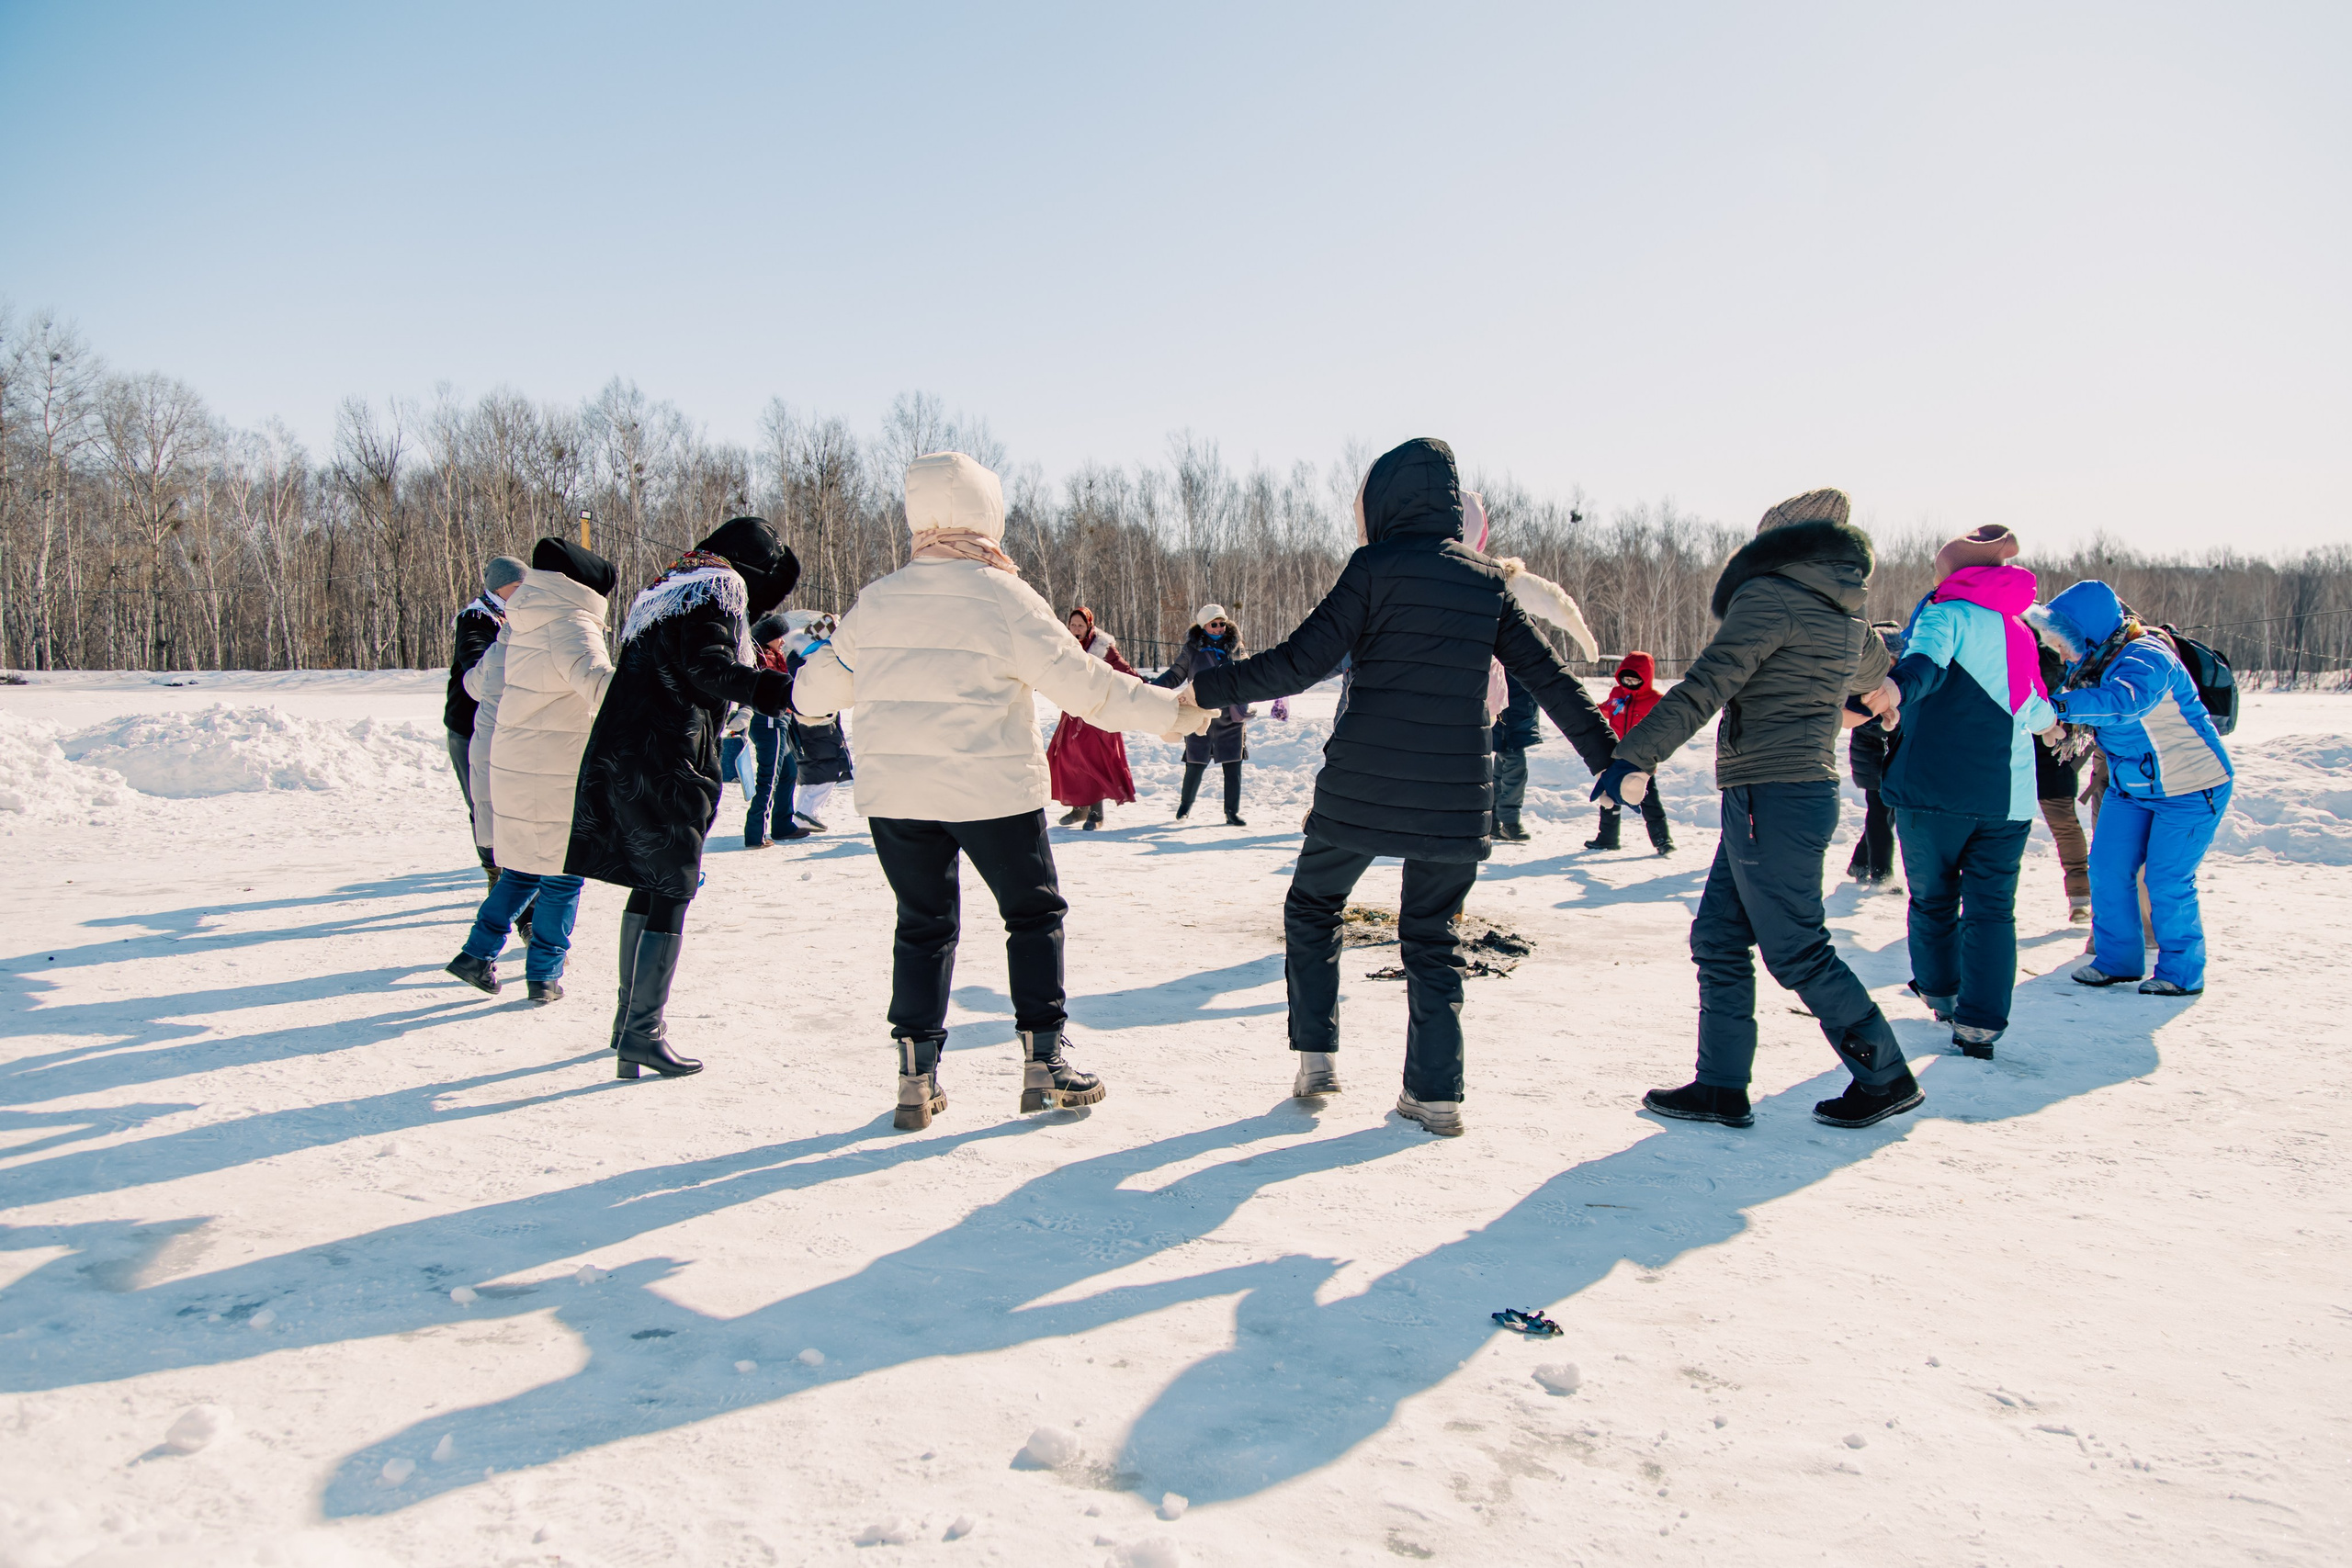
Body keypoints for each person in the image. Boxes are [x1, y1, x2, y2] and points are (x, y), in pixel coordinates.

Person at [1183, 437, 1616, 1138]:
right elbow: (1549, 677)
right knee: (1431, 934)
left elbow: (1299, 662)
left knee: (1314, 904)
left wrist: (1206, 688)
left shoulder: (1373, 568)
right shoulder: (1486, 581)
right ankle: (1435, 1093)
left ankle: (1317, 1058)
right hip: (1455, 790)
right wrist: (1611, 758)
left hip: (1362, 783)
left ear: (1383, 502)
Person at [793, 452, 1209, 1131]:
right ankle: (1043, 1062)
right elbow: (1088, 687)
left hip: (898, 796)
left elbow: (816, 690)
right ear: (989, 512)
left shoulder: (878, 599)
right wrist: (1172, 713)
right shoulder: (1003, 595)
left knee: (922, 925)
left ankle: (914, 1078)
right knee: (1032, 914)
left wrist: (804, 694)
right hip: (990, 789)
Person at [1596, 488, 1912, 1131]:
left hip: (1773, 795)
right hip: (1782, 794)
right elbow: (1879, 669)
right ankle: (1720, 1085)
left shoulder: (1769, 596)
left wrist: (1635, 757)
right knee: (1717, 936)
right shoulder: (1848, 611)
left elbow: (1706, 684)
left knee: (1796, 949)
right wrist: (1881, 696)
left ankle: (1884, 1074)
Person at [566, 517, 801, 1078]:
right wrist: (779, 691)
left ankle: (630, 1025)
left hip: (630, 750)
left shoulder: (671, 588)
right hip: (669, 756)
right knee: (671, 886)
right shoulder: (717, 591)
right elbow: (709, 668)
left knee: (651, 884)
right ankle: (641, 1031)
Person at [1879, 525, 2058, 1061]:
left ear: (1951, 575)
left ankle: (1940, 993)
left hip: (1932, 792)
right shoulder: (2021, 633)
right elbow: (2035, 711)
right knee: (1993, 911)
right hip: (2007, 799)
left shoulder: (1943, 615)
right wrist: (2053, 726)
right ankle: (1980, 1027)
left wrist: (1892, 690)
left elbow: (1925, 667)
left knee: (1934, 900)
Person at [2031, 580, 2233, 996]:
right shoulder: (2090, 663)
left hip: (2191, 787)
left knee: (2165, 879)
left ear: (2088, 634)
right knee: (2107, 869)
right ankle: (2118, 960)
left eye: (2061, 639)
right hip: (2133, 786)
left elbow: (2124, 702)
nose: (2057, 649)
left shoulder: (2147, 656)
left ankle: (2182, 974)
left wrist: (2059, 707)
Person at [445, 538, 617, 1004]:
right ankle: (544, 975)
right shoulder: (572, 625)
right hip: (556, 771)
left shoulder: (517, 623)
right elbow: (604, 691)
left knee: (520, 870)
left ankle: (476, 954)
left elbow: (478, 683)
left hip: (513, 763)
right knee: (564, 877)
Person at [1486, 554, 1600, 844]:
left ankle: (1496, 818)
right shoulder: (1513, 604)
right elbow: (1557, 603)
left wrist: (1588, 645)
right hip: (1508, 693)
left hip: (1507, 693)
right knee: (1513, 759)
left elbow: (1557, 604)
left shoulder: (1497, 599)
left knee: (1504, 757)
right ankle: (1505, 819)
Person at [446, 555, 525, 882]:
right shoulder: (477, 618)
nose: (525, 592)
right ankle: (495, 873)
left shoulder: (517, 616)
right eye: (519, 586)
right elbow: (476, 665)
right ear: (501, 586)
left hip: (506, 724)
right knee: (483, 805)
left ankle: (515, 871)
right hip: (470, 727)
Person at [1152, 607, 1251, 826]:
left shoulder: (1236, 647)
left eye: (1222, 624)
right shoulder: (1192, 650)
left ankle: (1231, 812)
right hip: (1199, 714)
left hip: (1230, 714)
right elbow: (1175, 674)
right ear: (1203, 626)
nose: (1219, 628)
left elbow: (1248, 673)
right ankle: (1184, 808)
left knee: (1233, 763)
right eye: (1213, 624)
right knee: (1195, 762)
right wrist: (1152, 688)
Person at [1047, 605, 1141, 830]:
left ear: (1089, 626)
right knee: (1070, 760)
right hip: (1073, 713)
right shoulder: (1066, 647)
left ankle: (1096, 813)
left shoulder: (1102, 648)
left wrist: (1141, 690)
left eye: (1080, 625)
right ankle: (1080, 808)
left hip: (1098, 715)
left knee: (1093, 760)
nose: (1076, 629)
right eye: (1073, 625)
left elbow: (1128, 673)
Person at [1586, 652, 1674, 854]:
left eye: (1636, 679)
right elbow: (1606, 710)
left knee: (1649, 799)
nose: (1630, 682)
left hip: (1640, 760)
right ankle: (1607, 838)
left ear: (1646, 678)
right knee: (1608, 798)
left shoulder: (1655, 700)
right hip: (1615, 755)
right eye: (1627, 678)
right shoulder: (1618, 695)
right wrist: (1591, 711)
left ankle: (1662, 840)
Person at [2030, 639, 2092, 923]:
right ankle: (2080, 897)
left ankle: (2081, 897)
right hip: (2055, 744)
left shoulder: (2007, 643)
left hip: (2041, 746)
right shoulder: (2059, 654)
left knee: (1994, 828)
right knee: (2064, 823)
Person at [1843, 625, 1904, 889]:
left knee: (1886, 814)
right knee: (1880, 813)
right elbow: (1862, 721)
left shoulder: (1896, 680)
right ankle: (1881, 874)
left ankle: (1860, 862)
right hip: (1873, 758)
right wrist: (1891, 722)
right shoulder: (1863, 681)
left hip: (1890, 757)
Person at [741, 613, 808, 847]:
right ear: (768, 636)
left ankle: (782, 825)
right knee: (770, 776)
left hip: (781, 720)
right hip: (768, 721)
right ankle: (756, 833)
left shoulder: (775, 656)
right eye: (779, 636)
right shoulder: (761, 659)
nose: (782, 641)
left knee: (788, 771)